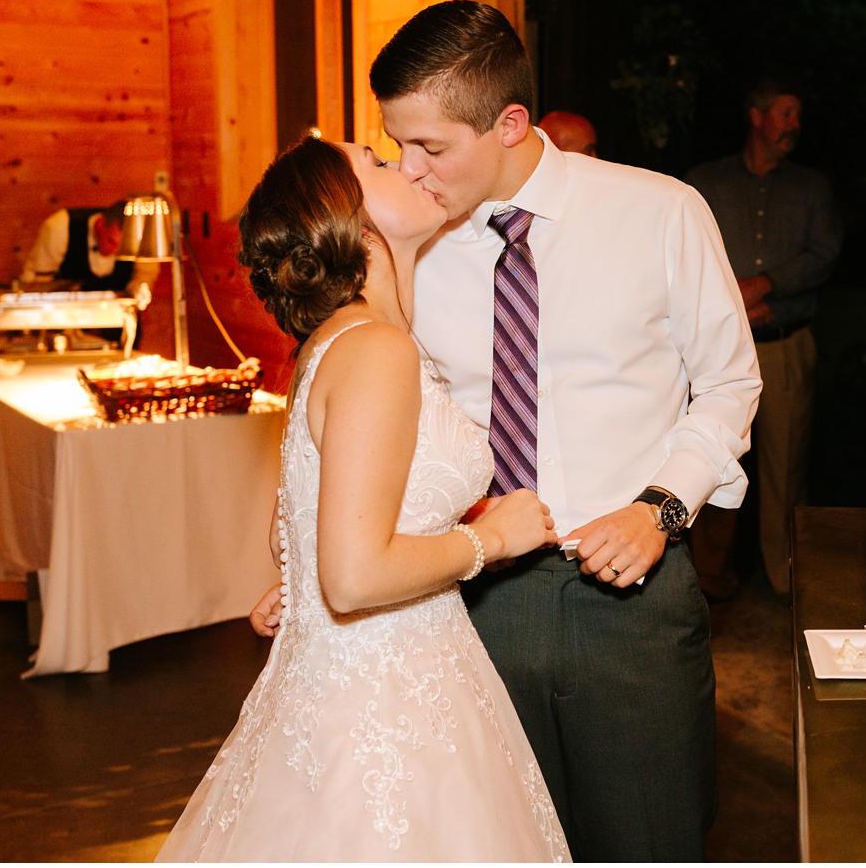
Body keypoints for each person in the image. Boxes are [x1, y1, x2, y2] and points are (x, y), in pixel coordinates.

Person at [370, 1, 760, 863]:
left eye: (432, 147)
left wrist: (660, 508)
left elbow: (731, 381)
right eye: (398, 145)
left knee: (651, 838)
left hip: (629, 597)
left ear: (511, 124)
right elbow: (383, 412)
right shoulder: (408, 243)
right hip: (465, 594)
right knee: (497, 840)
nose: (412, 170)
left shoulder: (660, 213)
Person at [159, 134, 567, 861]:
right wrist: (494, 539)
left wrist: (307, 580)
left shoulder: (333, 343)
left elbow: (293, 535)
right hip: (384, 706)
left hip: (372, 683)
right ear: (345, 215)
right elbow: (351, 579)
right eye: (379, 164)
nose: (407, 164)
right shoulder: (378, 348)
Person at [686, 79, 843, 598]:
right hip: (712, 352)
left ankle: (783, 580)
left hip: (783, 342)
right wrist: (730, 305)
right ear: (756, 117)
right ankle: (707, 575)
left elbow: (824, 254)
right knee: (711, 458)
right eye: (785, 112)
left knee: (785, 465)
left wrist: (767, 288)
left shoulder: (811, 187)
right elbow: (686, 255)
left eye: (798, 114)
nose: (794, 124)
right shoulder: (705, 182)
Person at [19, 201, 135, 291]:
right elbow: (37, 281)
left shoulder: (141, 236)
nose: (114, 251)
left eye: (121, 247)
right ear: (100, 224)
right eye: (111, 241)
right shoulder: (60, 227)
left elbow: (143, 278)